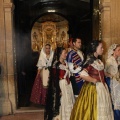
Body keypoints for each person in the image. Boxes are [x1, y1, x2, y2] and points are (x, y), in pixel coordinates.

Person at [70, 40, 114, 120]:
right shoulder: (90, 61)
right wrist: (93, 80)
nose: (103, 49)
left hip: (102, 88)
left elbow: (101, 72)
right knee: (92, 110)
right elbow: (82, 74)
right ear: (95, 48)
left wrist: (110, 75)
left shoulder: (99, 61)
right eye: (101, 47)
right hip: (93, 89)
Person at [44, 47, 75, 120]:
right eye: (65, 53)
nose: (66, 54)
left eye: (66, 53)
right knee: (62, 102)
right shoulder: (56, 65)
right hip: (61, 85)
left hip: (68, 84)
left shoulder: (66, 63)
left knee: (69, 101)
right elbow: (54, 79)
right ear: (60, 54)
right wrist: (58, 90)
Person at [105, 44, 120, 120]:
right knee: (115, 101)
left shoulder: (119, 59)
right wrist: (111, 75)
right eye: (118, 50)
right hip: (112, 82)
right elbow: (104, 72)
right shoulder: (109, 60)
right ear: (113, 51)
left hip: (118, 83)